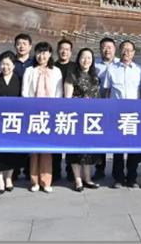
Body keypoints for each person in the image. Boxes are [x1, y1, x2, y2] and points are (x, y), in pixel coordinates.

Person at [23, 42, 64, 193]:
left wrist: (54, 110)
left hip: (50, 114)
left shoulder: (56, 71)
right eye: (39, 53)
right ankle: (34, 181)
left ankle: (46, 181)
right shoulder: (29, 70)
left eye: (45, 53)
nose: (42, 56)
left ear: (50, 54)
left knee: (47, 149)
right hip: (33, 113)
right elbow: (25, 92)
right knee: (34, 150)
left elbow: (59, 93)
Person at [103, 40, 141, 188]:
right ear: (119, 51)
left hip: (134, 114)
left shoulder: (140, 70)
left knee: (134, 148)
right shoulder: (111, 69)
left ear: (133, 53)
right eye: (124, 50)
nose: (126, 52)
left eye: (129, 50)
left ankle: (132, 178)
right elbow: (107, 91)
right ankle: (118, 178)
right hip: (116, 114)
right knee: (118, 148)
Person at [63, 48, 103, 192]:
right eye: (83, 57)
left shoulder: (95, 75)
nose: (86, 60)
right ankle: (78, 180)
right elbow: (67, 99)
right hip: (76, 117)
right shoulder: (72, 75)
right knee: (76, 150)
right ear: (78, 59)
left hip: (91, 118)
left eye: (89, 58)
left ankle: (87, 178)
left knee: (89, 149)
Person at [0, 51, 24, 194]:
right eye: (2, 64)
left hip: (13, 121)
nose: (5, 67)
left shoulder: (19, 80)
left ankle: (9, 178)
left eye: (8, 64)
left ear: (13, 65)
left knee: (11, 152)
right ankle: (0, 181)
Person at [93, 37, 119, 180]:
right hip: (99, 107)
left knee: (117, 138)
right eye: (104, 47)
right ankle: (99, 168)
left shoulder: (121, 64)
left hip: (116, 108)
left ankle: (117, 171)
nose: (107, 50)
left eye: (110, 47)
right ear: (100, 49)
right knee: (100, 139)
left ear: (115, 49)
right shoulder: (94, 65)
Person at [53, 38, 78, 182]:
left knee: (71, 143)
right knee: (54, 142)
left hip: (72, 110)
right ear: (57, 51)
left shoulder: (75, 67)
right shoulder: (52, 66)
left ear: (71, 52)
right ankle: (55, 172)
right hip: (55, 109)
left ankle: (71, 172)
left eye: (67, 49)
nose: (64, 52)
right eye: (62, 49)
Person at [12, 33, 33, 182]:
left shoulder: (35, 62)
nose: (21, 46)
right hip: (14, 106)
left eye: (25, 43)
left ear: (30, 46)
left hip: (30, 107)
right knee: (14, 139)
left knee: (29, 139)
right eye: (19, 43)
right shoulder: (10, 62)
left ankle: (28, 170)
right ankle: (13, 170)